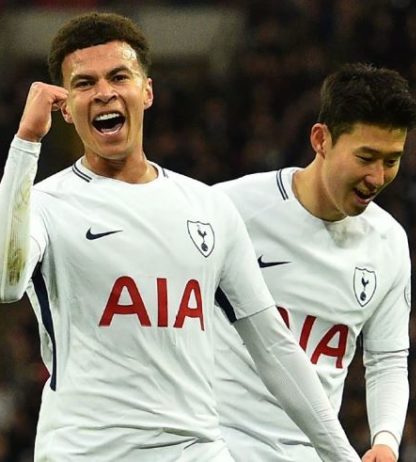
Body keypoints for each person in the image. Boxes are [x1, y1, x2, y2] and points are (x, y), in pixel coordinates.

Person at [0, 12, 361, 462]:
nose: (104, 92)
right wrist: (26, 141)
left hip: (195, 451)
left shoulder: (207, 207)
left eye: (119, 76)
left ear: (147, 91)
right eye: (84, 83)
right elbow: (6, 282)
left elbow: (273, 346)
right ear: (67, 108)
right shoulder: (46, 204)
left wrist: (343, 456)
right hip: (86, 452)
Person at [213, 62, 416, 462]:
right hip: (220, 441)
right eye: (366, 157)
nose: (377, 177)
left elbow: (387, 359)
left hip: (313, 451)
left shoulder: (390, 242)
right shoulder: (231, 209)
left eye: (392, 160)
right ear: (321, 139)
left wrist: (385, 441)